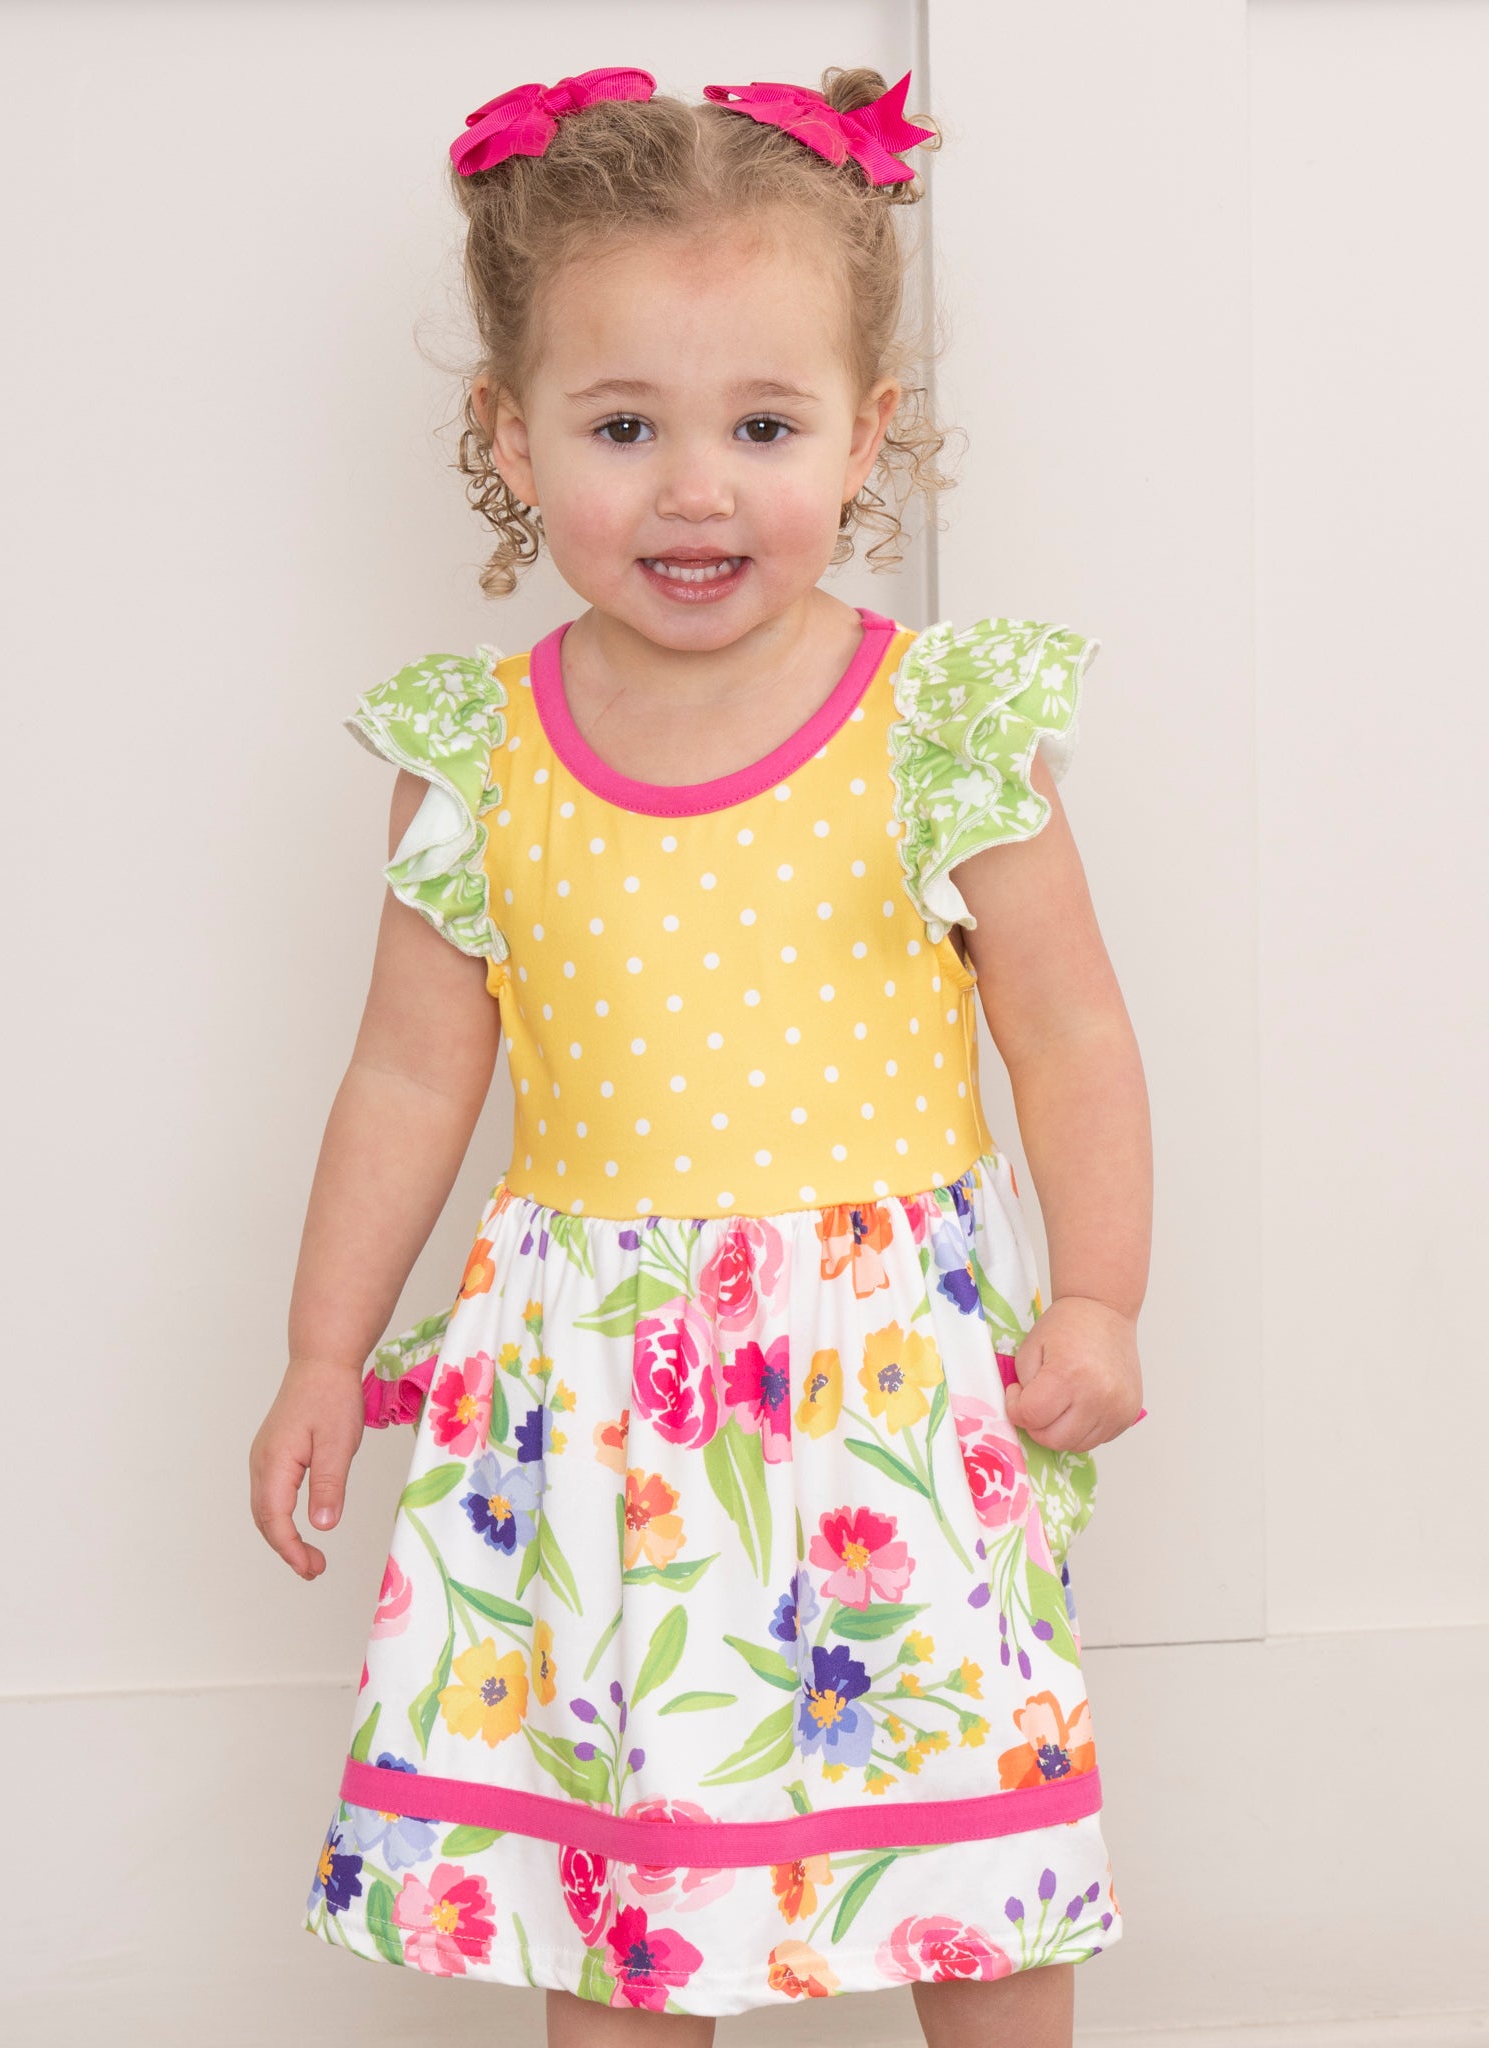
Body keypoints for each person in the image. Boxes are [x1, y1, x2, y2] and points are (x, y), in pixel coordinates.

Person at [249, 61, 1151, 2043]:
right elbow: (407, 1077)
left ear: (866, 433)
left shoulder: (938, 731)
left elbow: (1070, 1023)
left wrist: (1098, 1292)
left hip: (888, 1376)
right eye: (621, 425)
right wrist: (326, 1347)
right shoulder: (478, 755)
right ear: (509, 435)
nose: (694, 486)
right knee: (625, 1856)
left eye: (762, 425)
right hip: (597, 1391)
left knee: (968, 1830)